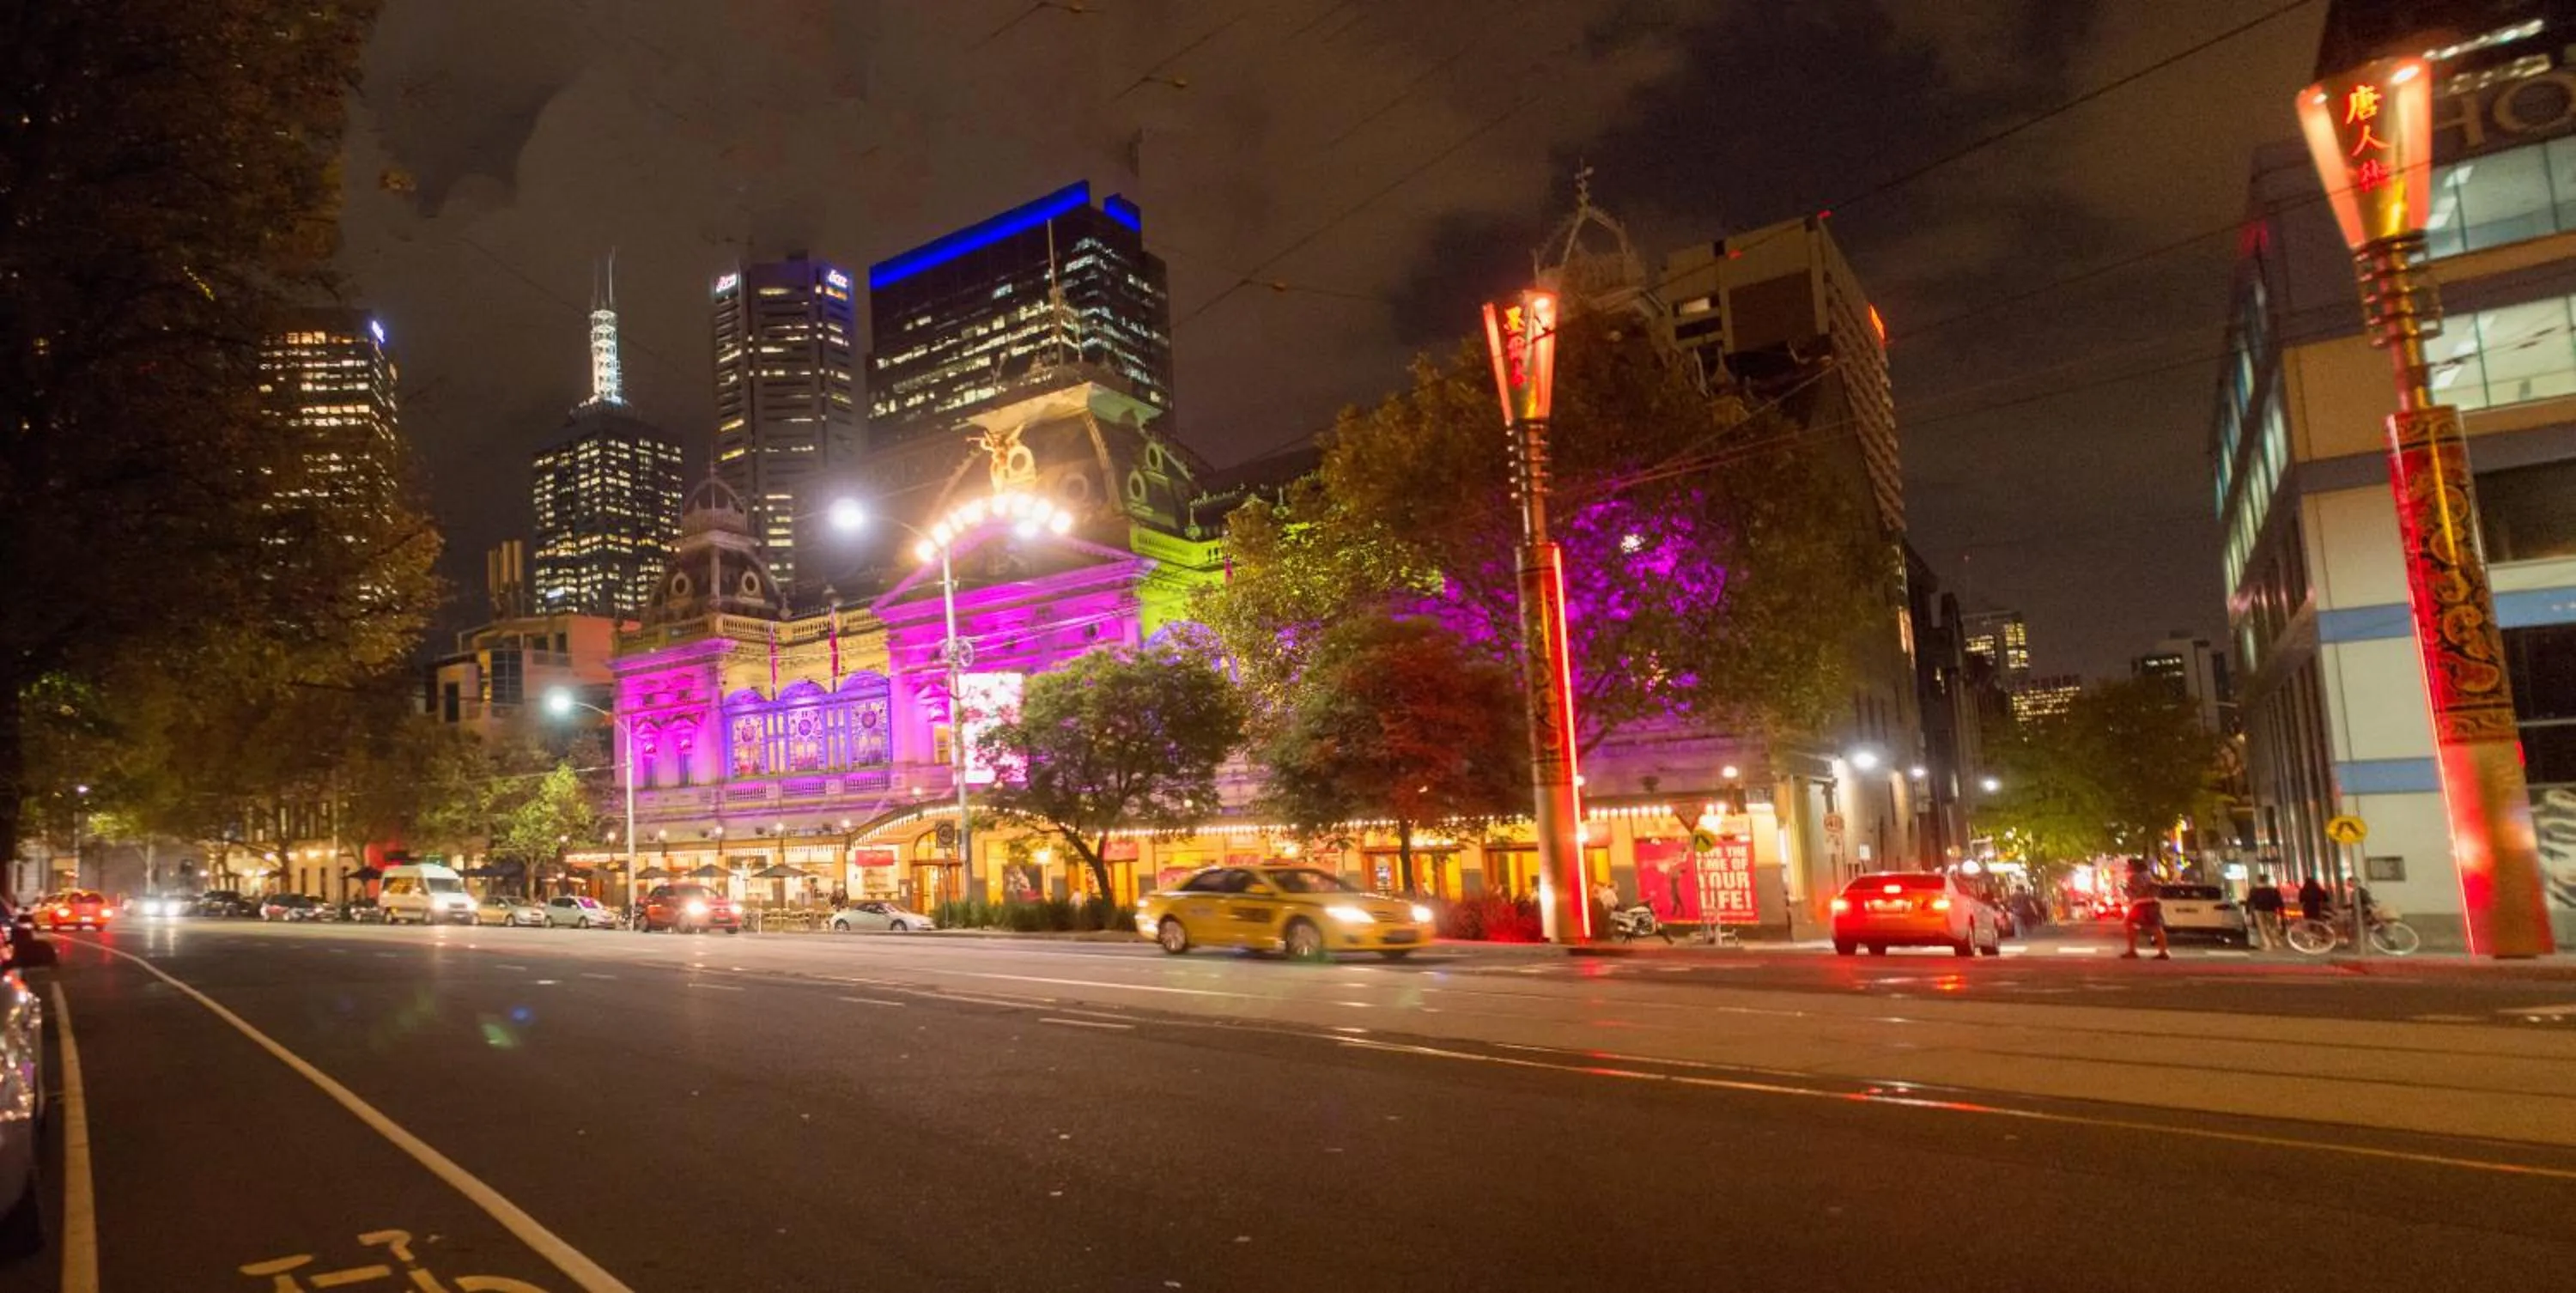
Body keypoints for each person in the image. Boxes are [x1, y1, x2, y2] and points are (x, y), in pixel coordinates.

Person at [2120, 858, 2169, 961]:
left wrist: (2125, 890)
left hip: (2141, 904)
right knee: (2156, 927)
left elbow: (2136, 892)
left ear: (2134, 866)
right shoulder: (2149, 875)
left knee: (2130, 925)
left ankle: (2132, 950)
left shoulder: (2134, 877)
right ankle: (2163, 951)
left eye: (2129, 865)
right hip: (2152, 902)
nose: (2127, 868)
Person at [2245, 872, 2286, 950]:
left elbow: (2249, 901)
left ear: (2259, 879)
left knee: (2262, 928)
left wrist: (2248, 913)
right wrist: (2281, 911)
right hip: (2271, 910)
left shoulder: (2254, 889)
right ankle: (2276, 942)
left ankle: (2268, 944)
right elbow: (2279, 901)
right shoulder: (2273, 889)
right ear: (2267, 880)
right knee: (2273, 926)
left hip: (2258, 910)